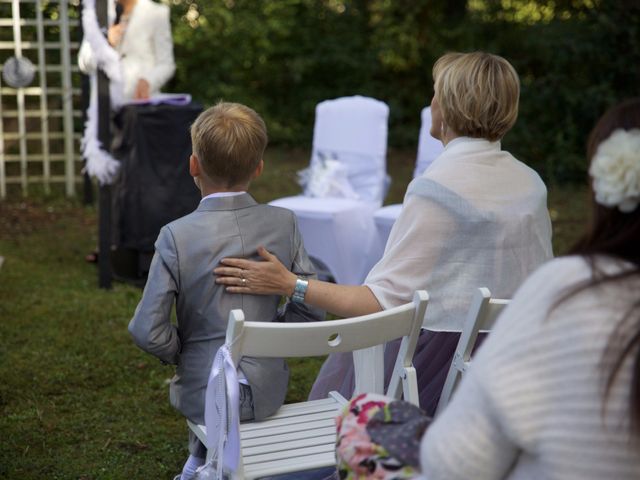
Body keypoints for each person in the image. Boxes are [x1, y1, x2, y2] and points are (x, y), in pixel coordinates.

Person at [214, 51, 553, 416]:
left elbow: (379, 303)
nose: (432, 101)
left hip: (444, 369)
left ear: (451, 105)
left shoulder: (437, 188)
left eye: (436, 92)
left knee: (365, 354)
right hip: (513, 360)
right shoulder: (530, 182)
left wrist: (290, 284)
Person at [420, 97, 640, 479]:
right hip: (479, 338)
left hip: (447, 352)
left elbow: (455, 462)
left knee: (369, 418)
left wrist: (298, 286)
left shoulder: (572, 290)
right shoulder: (530, 181)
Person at [127, 102, 324, 480]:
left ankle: (201, 460)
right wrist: (267, 339)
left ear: (193, 165)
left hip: (204, 392)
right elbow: (310, 308)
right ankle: (202, 459)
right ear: (259, 168)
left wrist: (186, 352)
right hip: (267, 392)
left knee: (212, 393)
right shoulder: (284, 223)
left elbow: (145, 329)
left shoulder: (176, 235)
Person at [78, 0, 176, 101]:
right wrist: (106, 43)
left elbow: (166, 64)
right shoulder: (99, 13)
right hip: (105, 107)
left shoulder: (156, 13)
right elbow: (84, 63)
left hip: (140, 107)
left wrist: (149, 81)